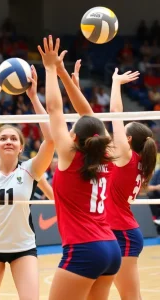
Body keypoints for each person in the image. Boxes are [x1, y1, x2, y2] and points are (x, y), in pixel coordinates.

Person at [38, 35, 121, 300]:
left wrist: (51, 69)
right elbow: (89, 118)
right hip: (110, 247)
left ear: (74, 138)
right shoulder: (106, 155)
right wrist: (61, 73)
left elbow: (54, 109)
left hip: (84, 248)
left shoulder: (70, 156)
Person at [0, 65, 54, 300]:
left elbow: (51, 140)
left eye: (14, 138)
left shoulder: (30, 169)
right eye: (3, 138)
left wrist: (34, 97)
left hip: (23, 248)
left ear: (21, 146)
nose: (8, 141)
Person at [107, 68, 157, 300]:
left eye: (121, 133)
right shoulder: (135, 161)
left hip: (123, 233)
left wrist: (116, 83)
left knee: (130, 297)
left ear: (127, 140)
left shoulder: (127, 157)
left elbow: (115, 111)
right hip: (118, 231)